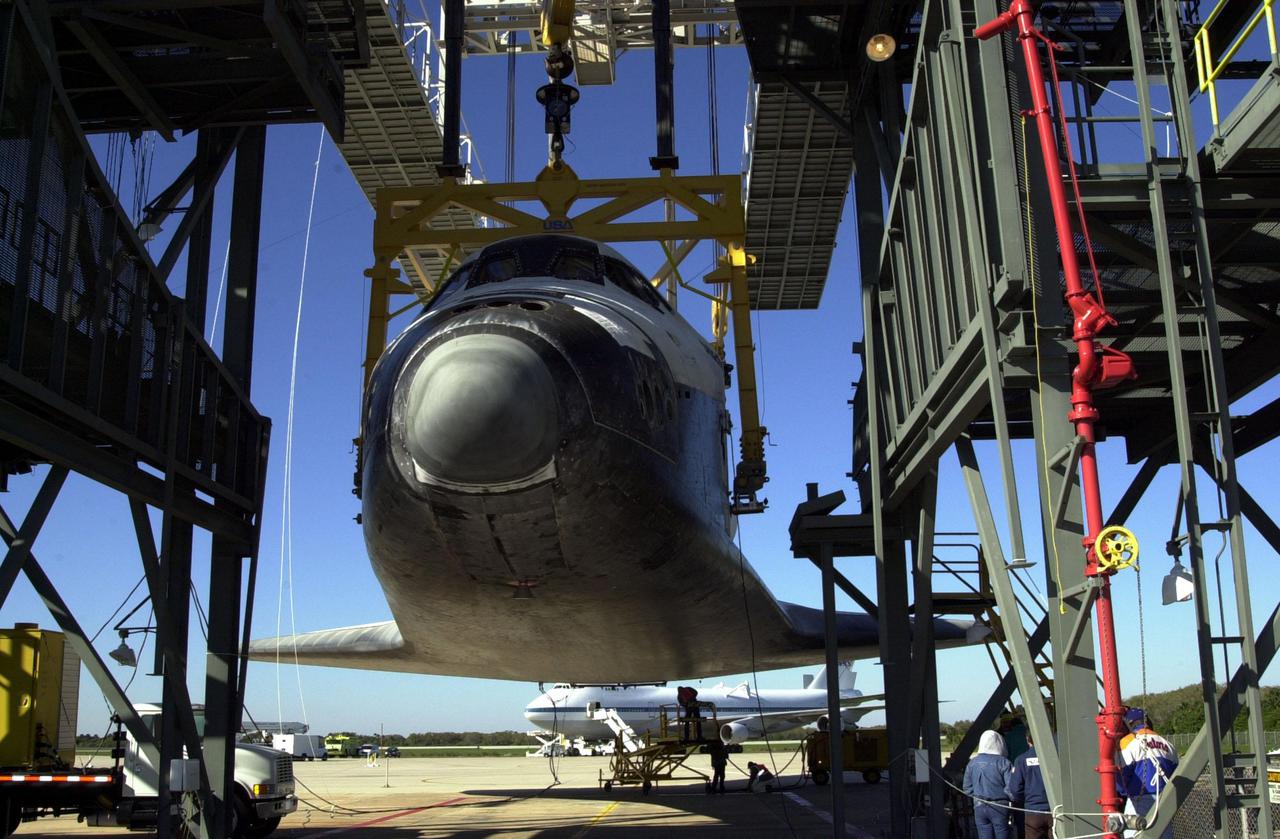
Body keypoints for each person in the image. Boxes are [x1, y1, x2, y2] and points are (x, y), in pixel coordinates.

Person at [1116, 708, 1178, 839]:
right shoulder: (1168, 744)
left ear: (1129, 723)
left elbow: (1121, 781)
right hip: (1166, 800)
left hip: (1139, 801)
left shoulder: (1127, 742)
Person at [963, 729, 1013, 839]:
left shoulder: (972, 763)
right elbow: (1011, 789)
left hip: (979, 806)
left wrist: (977, 796)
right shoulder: (1004, 762)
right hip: (1000, 806)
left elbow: (966, 788)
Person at [1008, 732, 1051, 839]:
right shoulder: (1054, 758)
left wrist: (1026, 802)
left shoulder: (1021, 760)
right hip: (1054, 812)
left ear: (1028, 740)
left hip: (1032, 812)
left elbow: (1015, 789)